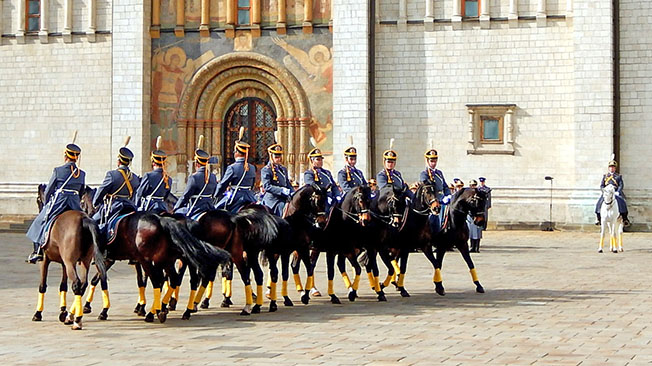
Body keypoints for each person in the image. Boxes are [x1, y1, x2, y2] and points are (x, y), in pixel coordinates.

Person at [26, 138, 86, 263]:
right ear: (76, 158)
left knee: (39, 221)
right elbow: (81, 191)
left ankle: (37, 252)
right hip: (74, 203)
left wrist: (47, 205)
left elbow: (48, 191)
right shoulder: (81, 173)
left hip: (60, 201)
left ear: (66, 156)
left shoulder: (58, 171)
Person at [92, 137, 141, 236]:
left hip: (114, 206)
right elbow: (135, 195)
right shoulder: (135, 178)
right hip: (130, 206)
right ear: (129, 162)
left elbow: (101, 191)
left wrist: (95, 202)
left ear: (119, 161)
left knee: (93, 223)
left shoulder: (112, 175)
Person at [173, 135, 218, 219]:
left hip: (197, 207)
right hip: (210, 207)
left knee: (178, 215)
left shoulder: (193, 177)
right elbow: (214, 192)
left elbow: (185, 196)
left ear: (197, 163)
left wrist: (176, 207)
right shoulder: (213, 176)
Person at [214, 131, 257, 213]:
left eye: (234, 152)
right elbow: (252, 185)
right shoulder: (251, 167)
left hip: (237, 197)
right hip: (250, 197)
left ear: (236, 153)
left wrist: (216, 194)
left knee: (216, 209)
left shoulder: (232, 168)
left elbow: (223, 184)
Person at [135, 136, 173, 213]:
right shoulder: (168, 179)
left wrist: (136, 207)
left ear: (153, 162)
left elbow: (140, 193)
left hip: (150, 206)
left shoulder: (148, 176)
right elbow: (166, 196)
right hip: (163, 206)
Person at [419, 148, 452, 234]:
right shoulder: (424, 173)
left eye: (435, 161)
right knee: (433, 220)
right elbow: (427, 188)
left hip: (442, 198)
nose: (433, 163)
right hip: (432, 200)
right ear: (427, 161)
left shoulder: (439, 173)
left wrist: (448, 195)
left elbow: (445, 186)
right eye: (431, 161)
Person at [260, 140, 294, 216]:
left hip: (284, 198)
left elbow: (287, 183)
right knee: (283, 208)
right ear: (271, 156)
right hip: (273, 200)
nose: (278, 159)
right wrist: (281, 190)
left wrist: (293, 192)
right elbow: (267, 186)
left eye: (279, 156)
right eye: (276, 157)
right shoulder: (266, 170)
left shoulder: (283, 169)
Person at [595, 159, 630, 226]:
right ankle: (598, 217)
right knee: (599, 202)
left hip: (615, 192)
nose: (612, 168)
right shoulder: (605, 176)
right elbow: (602, 185)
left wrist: (618, 192)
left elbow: (621, 185)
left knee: (622, 202)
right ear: (609, 168)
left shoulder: (618, 176)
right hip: (607, 193)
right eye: (611, 167)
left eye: (613, 167)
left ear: (615, 168)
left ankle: (625, 218)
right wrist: (604, 191)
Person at [304, 146, 339, 210]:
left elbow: (334, 186)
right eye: (318, 159)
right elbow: (311, 185)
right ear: (312, 161)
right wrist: (324, 195)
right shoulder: (309, 173)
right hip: (320, 198)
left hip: (331, 196)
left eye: (321, 159)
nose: (321, 161)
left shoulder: (327, 173)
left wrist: (337, 195)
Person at [467, 179, 483, 253]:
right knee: (471, 232)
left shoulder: (479, 193)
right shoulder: (468, 194)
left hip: (478, 214)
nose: (472, 187)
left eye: (474, 185)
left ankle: (477, 247)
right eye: (471, 185)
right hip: (470, 214)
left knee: (477, 231)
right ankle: (472, 246)